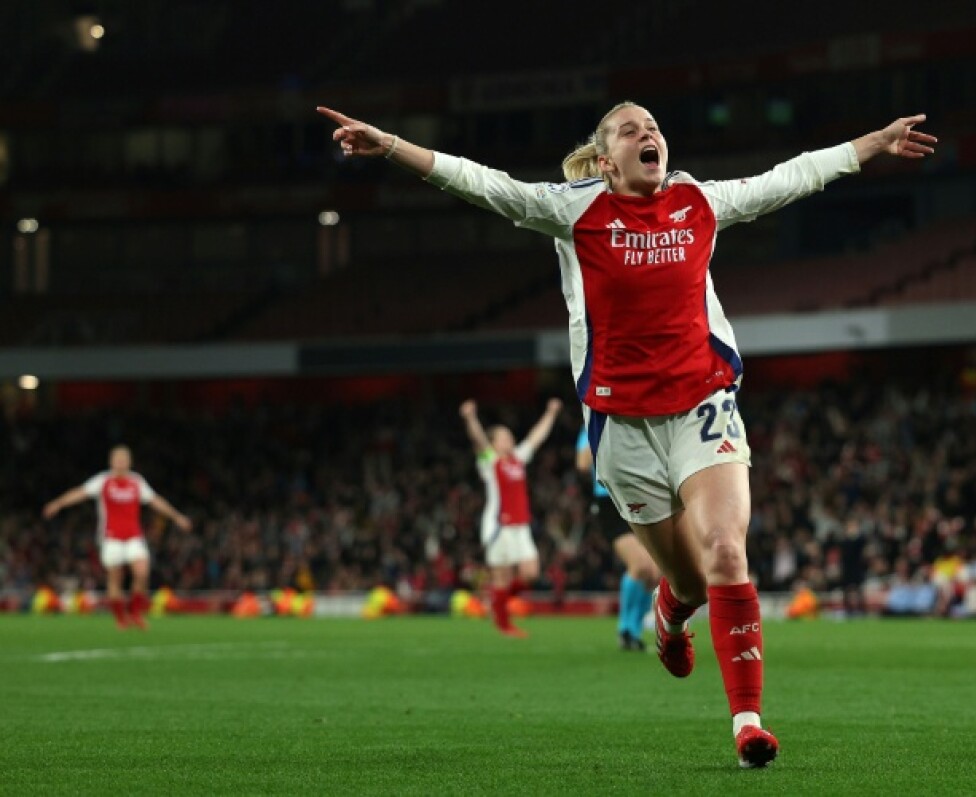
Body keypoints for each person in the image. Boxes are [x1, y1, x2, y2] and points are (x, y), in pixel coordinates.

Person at [320, 100, 934, 768]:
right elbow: (485, 184)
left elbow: (787, 178)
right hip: (622, 427)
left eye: (656, 127)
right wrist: (392, 146)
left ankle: (748, 724)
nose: (650, 134)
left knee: (728, 552)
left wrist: (873, 140)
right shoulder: (576, 210)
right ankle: (671, 613)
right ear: (606, 158)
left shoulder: (697, 201)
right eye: (630, 129)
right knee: (689, 579)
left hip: (704, 405)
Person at [42, 445, 191, 629]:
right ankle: (121, 618)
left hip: (133, 536)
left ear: (130, 462)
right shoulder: (102, 481)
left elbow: (155, 500)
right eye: (117, 459)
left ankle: (135, 612)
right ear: (111, 461)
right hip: (110, 536)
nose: (120, 462)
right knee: (116, 578)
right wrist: (58, 503)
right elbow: (80, 492)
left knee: (142, 572)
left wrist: (177, 516)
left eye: (124, 459)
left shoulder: (136, 481)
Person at [459, 398, 562, 638]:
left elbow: (536, 438)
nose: (509, 439)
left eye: (509, 436)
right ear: (494, 443)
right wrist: (470, 418)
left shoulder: (517, 458)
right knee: (502, 576)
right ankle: (503, 624)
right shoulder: (489, 462)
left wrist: (551, 413)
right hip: (498, 526)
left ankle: (494, 600)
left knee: (531, 572)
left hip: (520, 525)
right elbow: (478, 440)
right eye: (503, 437)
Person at [576, 426, 659, 651]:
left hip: (640, 499)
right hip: (610, 502)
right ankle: (625, 629)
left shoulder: (634, 424)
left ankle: (634, 631)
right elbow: (583, 464)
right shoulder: (594, 424)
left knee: (654, 572)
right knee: (640, 565)